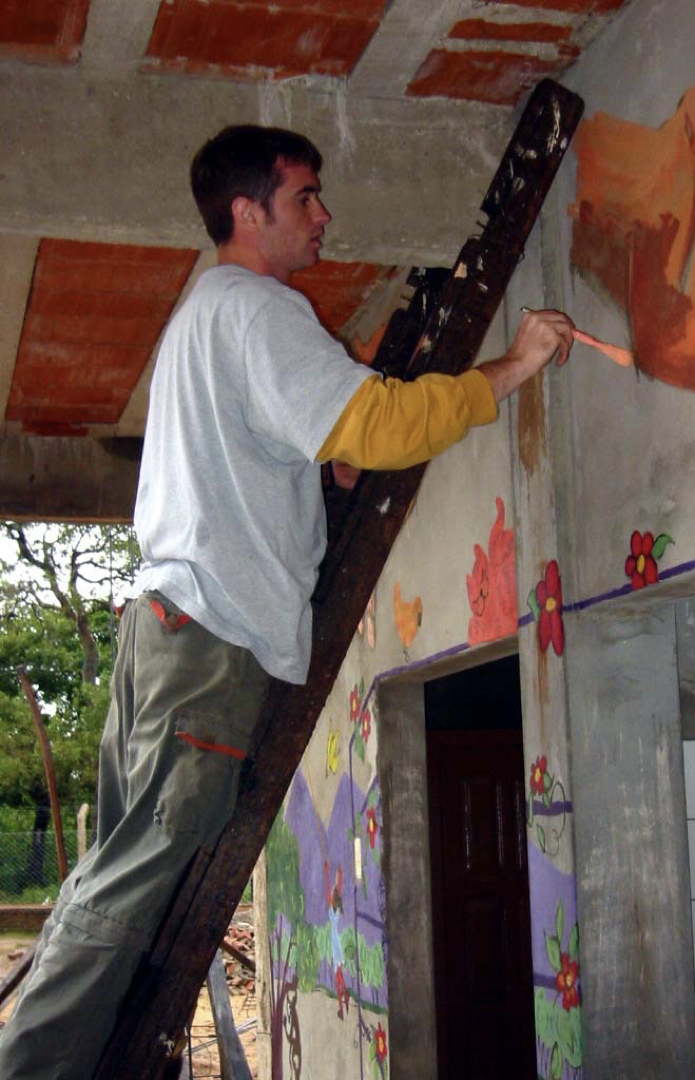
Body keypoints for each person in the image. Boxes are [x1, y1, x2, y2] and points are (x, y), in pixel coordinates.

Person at [0, 124, 573, 1080]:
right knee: (130, 892)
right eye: (305, 196)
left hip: (170, 633)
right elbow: (383, 427)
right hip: (208, 643)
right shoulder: (257, 311)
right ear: (247, 211)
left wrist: (325, 456)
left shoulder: (205, 318)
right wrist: (509, 370)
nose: (324, 215)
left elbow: (308, 448)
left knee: (112, 880)